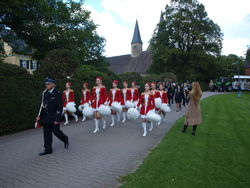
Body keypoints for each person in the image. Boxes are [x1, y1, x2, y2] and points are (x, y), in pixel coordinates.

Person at [36, 78, 69, 156]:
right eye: (46, 84)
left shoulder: (57, 93)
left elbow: (59, 107)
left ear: (53, 85)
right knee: (46, 134)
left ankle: (65, 139)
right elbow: (43, 106)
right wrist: (39, 116)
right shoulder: (45, 93)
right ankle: (48, 149)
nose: (47, 85)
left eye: (48, 84)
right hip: (46, 117)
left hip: (54, 117)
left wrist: (57, 119)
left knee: (56, 132)